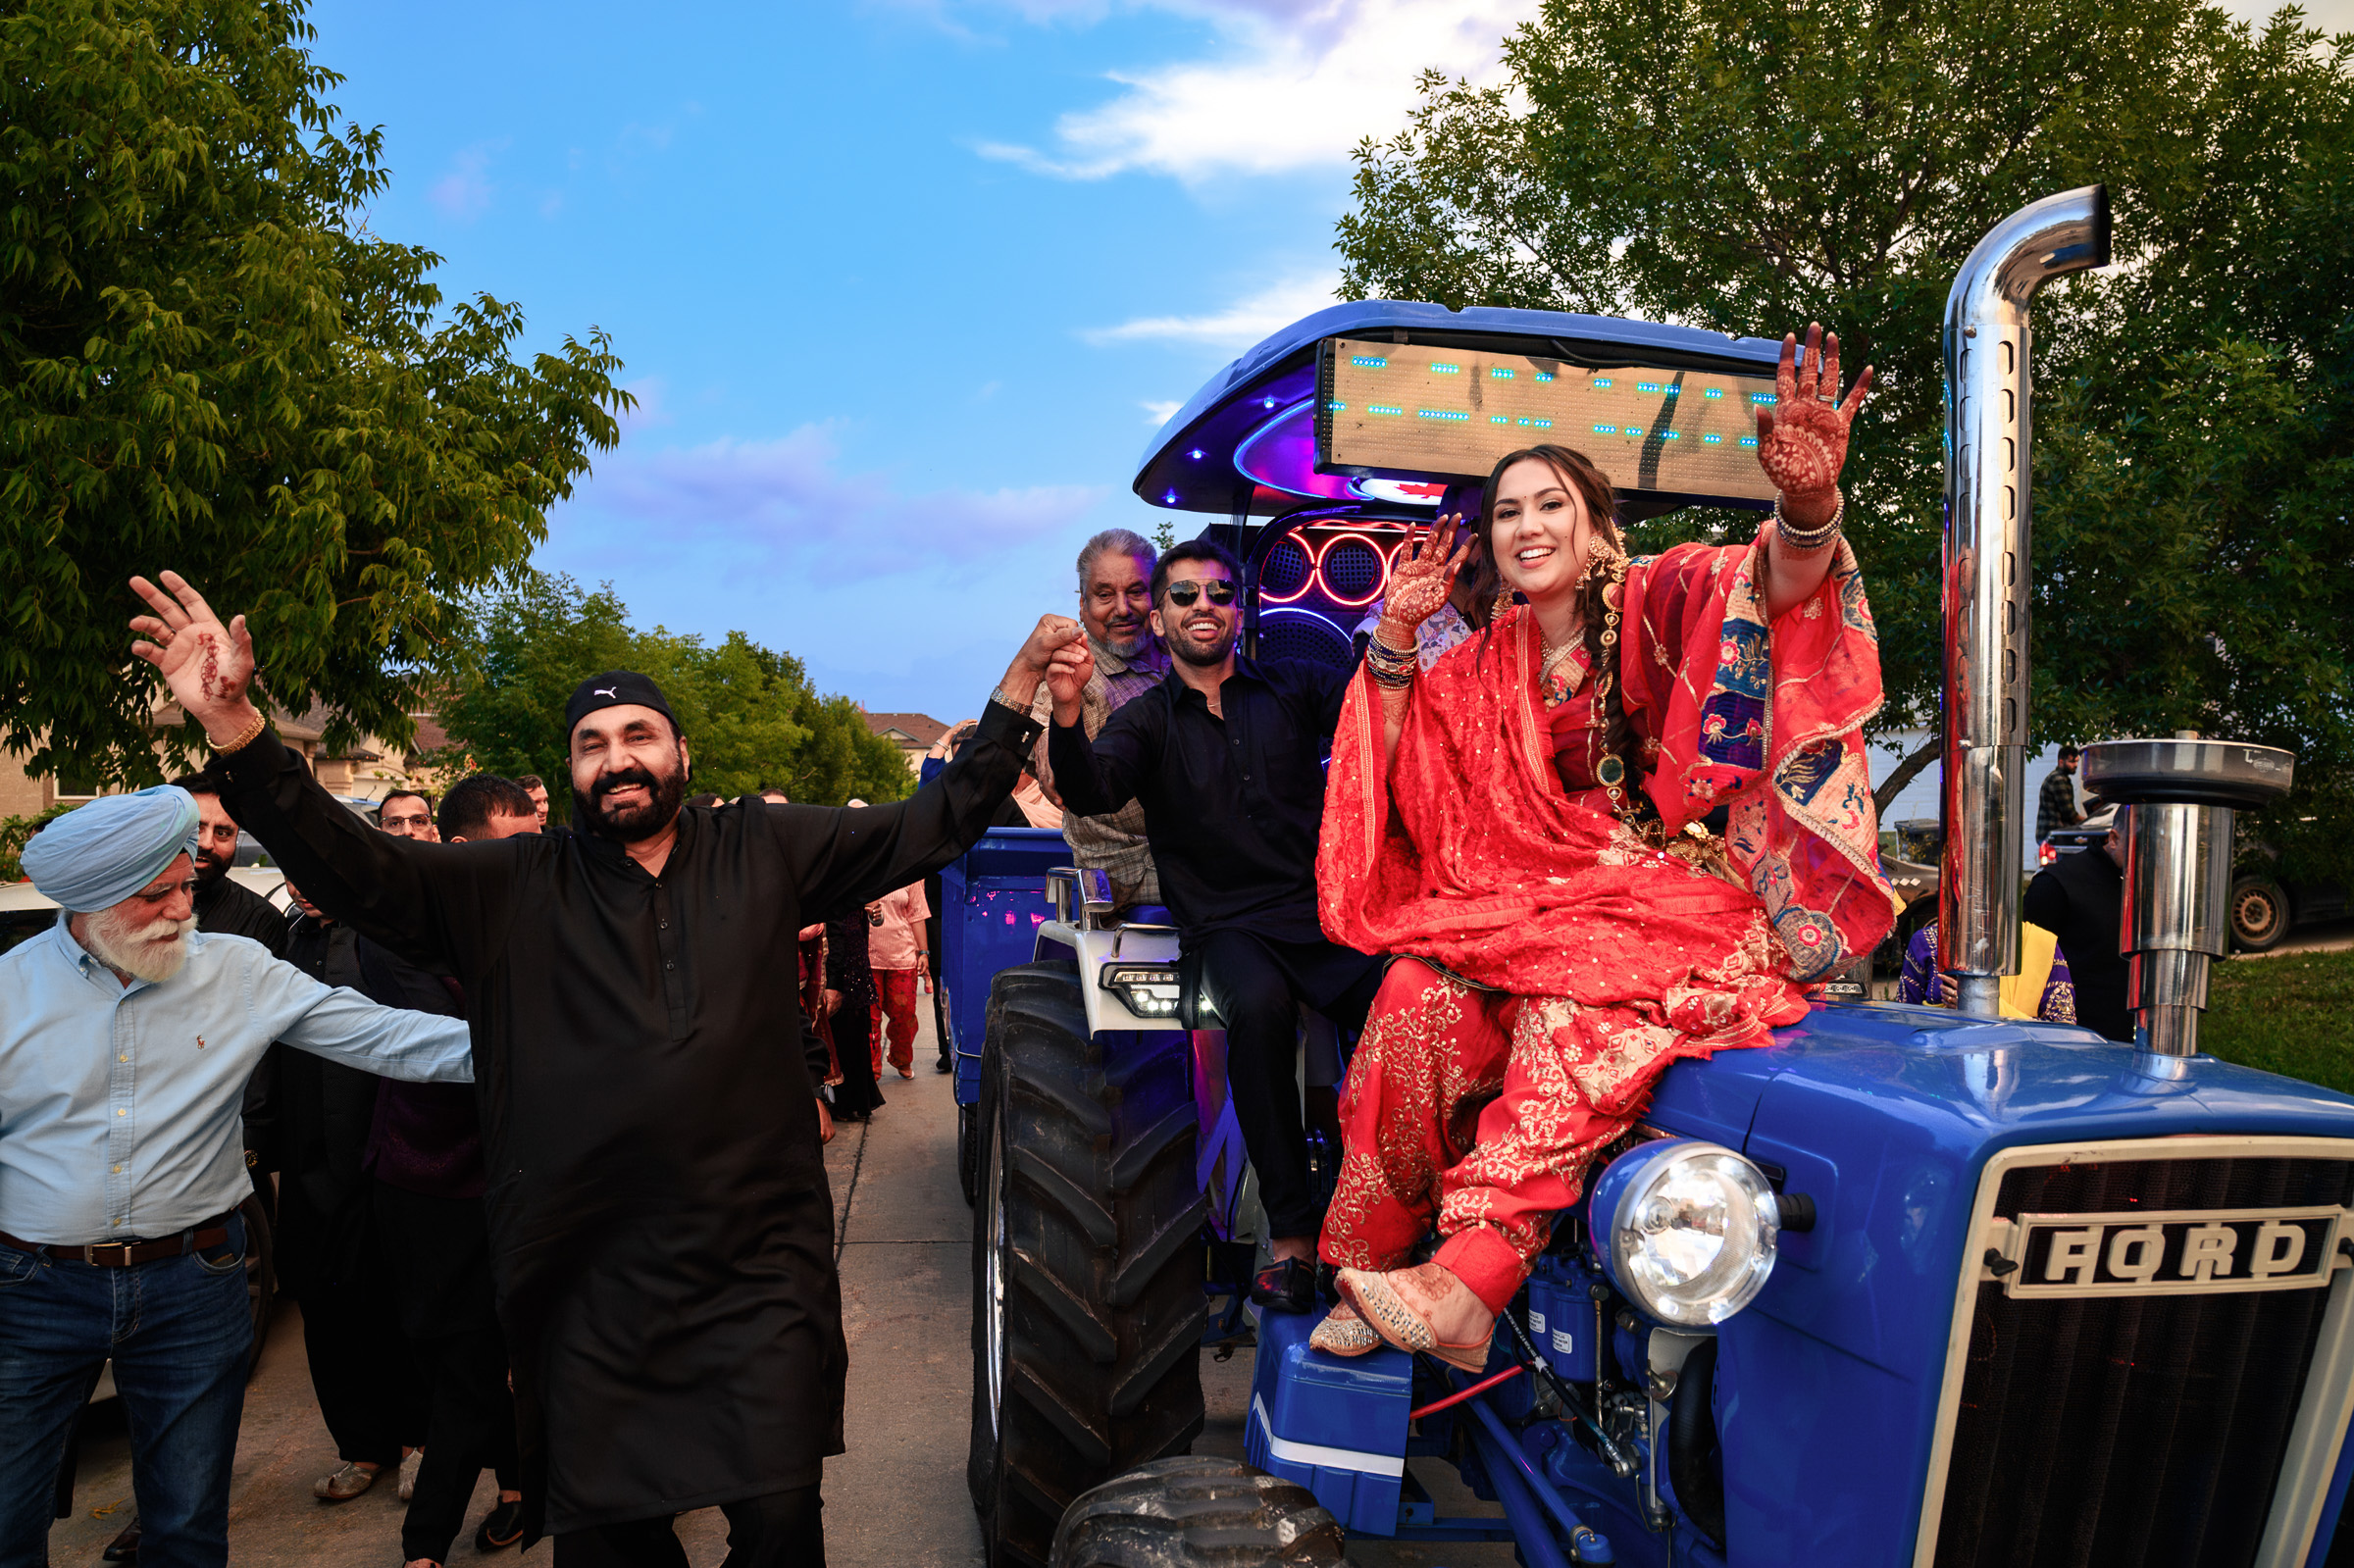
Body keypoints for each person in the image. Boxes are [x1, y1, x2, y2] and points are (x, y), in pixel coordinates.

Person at [128, 570, 1078, 1563]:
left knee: (781, 1526)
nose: (616, 760)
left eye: (637, 737)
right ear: (570, 771)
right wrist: (238, 728)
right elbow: (355, 871)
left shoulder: (766, 848)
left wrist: (1013, 694)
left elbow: (935, 822)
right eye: (592, 745)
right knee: (609, 1543)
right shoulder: (512, 885)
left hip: (756, 1274)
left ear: (679, 751)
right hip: (582, 1285)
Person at [1308, 327, 1895, 1369]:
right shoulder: (1477, 660)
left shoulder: (1655, 602)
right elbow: (1393, 779)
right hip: (1513, 904)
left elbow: (1774, 587)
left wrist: (1806, 509)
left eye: (1550, 506)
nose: (1527, 528)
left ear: (1596, 525)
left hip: (1654, 900)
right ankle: (1375, 1256)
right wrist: (1395, 639)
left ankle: (1472, 1276)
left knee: (1575, 998)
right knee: (1409, 995)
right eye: (1507, 513)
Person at [0, 788, 476, 1568]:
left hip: (195, 1282)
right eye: (160, 894)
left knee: (186, 1526)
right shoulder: (9, 991)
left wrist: (529, 1043)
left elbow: (387, 1036)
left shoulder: (239, 970)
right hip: (32, 1288)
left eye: (188, 884)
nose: (186, 907)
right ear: (90, 901)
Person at [1047, 539, 1389, 1314]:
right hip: (1227, 930)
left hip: (1323, 918)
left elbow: (1381, 716)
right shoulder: (1146, 720)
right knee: (1259, 1008)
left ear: (1242, 609)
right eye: (1184, 595)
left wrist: (1399, 634)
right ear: (1161, 623)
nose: (1203, 604)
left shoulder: (1295, 685)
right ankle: (1294, 1239)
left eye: (1220, 592)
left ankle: (1393, 1210)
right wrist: (1068, 710)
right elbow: (1091, 788)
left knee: (1403, 994)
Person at [368, 775, 539, 1567]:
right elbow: (452, 1046)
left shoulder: (544, 916)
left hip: (518, 1179)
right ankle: (433, 1538)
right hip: (430, 1181)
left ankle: (487, 1508)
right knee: (464, 1362)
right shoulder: (402, 930)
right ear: (465, 852)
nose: (535, 863)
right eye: (518, 848)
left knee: (505, 1353)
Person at [275, 874, 431, 1506]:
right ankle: (362, 1446)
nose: (307, 885)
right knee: (325, 1308)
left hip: (381, 1158)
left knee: (396, 1305)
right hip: (308, 1167)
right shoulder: (282, 941)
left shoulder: (388, 941)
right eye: (293, 870)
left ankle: (419, 1443)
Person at [1029, 529, 1170, 912]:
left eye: (1136, 591)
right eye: (1105, 595)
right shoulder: (1077, 670)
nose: (1122, 609)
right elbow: (1042, 714)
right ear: (1083, 605)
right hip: (1129, 879)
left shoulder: (1181, 658)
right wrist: (1047, 739)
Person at [2023, 809, 2131, 1041]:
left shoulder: (2144, 886)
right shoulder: (2056, 885)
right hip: (2075, 1041)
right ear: (2114, 838)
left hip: (2134, 1039)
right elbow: (2028, 976)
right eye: (2142, 848)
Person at [1897, 918, 2075, 1022]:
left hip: (2019, 1072)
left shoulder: (2040, 945)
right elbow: (1904, 1022)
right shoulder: (1928, 941)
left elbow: (2062, 1031)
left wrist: (1985, 1007)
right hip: (1942, 1070)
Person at [866, 879, 930, 1082]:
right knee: (870, 1019)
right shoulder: (865, 866)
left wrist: (923, 952)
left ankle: (901, 1058)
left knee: (904, 1015)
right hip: (868, 957)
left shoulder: (912, 873)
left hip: (902, 955)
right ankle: (872, 1070)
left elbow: (917, 915)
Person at [2036, 745, 2085, 844]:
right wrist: (2088, 823)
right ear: (2061, 762)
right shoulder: (2058, 780)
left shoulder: (2059, 778)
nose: (2075, 765)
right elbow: (2069, 814)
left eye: (2076, 762)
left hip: (2051, 834)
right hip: (2053, 834)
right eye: (2071, 762)